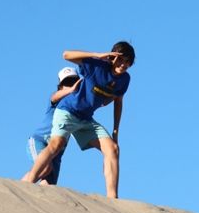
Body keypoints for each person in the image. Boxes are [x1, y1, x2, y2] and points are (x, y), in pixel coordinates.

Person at [22, 41, 135, 198]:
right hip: (68, 111)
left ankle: (113, 198)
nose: (124, 65)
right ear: (112, 57)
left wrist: (115, 130)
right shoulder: (96, 66)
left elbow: (118, 101)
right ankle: (27, 185)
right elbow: (66, 54)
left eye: (128, 62)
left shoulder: (125, 79)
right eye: (121, 60)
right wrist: (97, 54)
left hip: (86, 119)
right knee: (56, 144)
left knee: (113, 148)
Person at [22, 67, 81, 186]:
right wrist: (72, 90)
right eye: (67, 83)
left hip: (57, 153)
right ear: (60, 87)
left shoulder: (78, 107)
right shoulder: (56, 100)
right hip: (39, 141)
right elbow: (54, 97)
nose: (70, 86)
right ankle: (18, 190)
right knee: (44, 168)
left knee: (48, 186)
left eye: (73, 83)